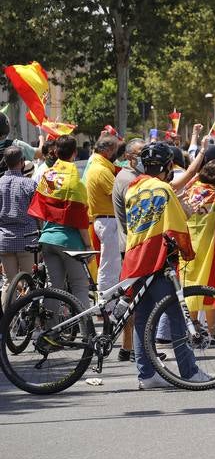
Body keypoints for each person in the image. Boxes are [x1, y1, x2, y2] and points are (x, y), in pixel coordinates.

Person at [121, 141, 208, 389]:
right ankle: (189, 372)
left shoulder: (133, 189)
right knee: (176, 316)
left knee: (142, 319)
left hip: (135, 258)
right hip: (158, 259)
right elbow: (176, 226)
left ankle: (146, 375)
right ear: (168, 165)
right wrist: (188, 249)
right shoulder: (163, 189)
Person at [28, 134, 93, 309]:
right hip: (69, 242)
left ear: (56, 152)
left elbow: (38, 210)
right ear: (74, 154)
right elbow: (80, 220)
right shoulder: (75, 183)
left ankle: (50, 331)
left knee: (53, 288)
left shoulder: (48, 176)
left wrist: (45, 231)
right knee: (80, 285)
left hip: (47, 239)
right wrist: (88, 246)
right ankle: (88, 332)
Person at [180, 143, 215, 338]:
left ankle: (192, 329)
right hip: (210, 250)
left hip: (186, 247)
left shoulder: (191, 188)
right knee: (212, 291)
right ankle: (212, 333)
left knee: (189, 289)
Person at [112, 137, 145, 361]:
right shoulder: (127, 180)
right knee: (133, 299)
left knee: (134, 298)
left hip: (133, 243)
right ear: (129, 157)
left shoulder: (135, 177)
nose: (145, 157)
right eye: (141, 153)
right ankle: (131, 348)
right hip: (132, 245)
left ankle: (129, 347)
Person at [0, 146, 38, 308]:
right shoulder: (29, 184)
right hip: (27, 239)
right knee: (29, 280)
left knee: (9, 282)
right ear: (22, 162)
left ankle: (7, 323)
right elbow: (38, 213)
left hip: (5, 240)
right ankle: (27, 318)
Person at [86, 135, 121, 300]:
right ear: (107, 151)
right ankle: (106, 303)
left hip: (106, 221)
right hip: (108, 221)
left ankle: (106, 301)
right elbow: (119, 196)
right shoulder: (101, 170)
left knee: (110, 264)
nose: (117, 153)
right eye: (115, 150)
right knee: (109, 266)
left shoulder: (98, 166)